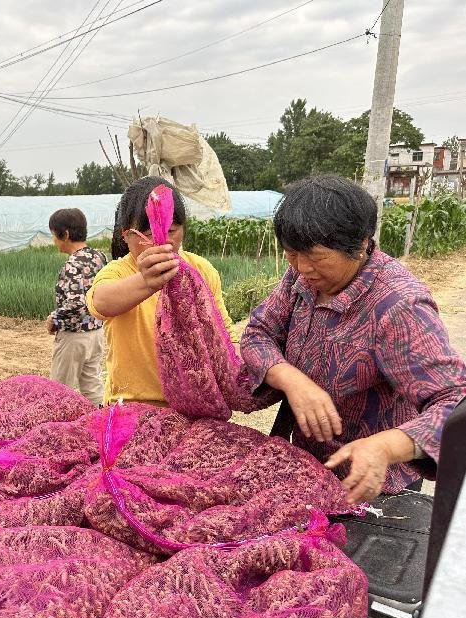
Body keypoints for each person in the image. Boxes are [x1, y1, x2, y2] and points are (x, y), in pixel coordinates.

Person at [240, 175, 466, 505]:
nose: (302, 269)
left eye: (316, 257)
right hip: (305, 469)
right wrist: (292, 380)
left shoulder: (399, 306)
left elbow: (456, 403)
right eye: (292, 255)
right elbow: (258, 334)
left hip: (373, 487)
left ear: (360, 245)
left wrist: (386, 447)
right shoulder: (302, 275)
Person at [85, 176, 235, 406]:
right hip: (134, 405)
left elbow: (223, 331)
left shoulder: (202, 270)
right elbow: (101, 302)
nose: (162, 243)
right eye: (149, 234)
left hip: (193, 406)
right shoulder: (118, 271)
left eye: (171, 231)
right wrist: (147, 281)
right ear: (125, 234)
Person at [45, 208, 106, 404]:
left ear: (66, 234)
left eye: (54, 235)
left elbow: (75, 304)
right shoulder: (98, 257)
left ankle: (59, 430)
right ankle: (106, 424)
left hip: (74, 338)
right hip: (96, 333)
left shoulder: (72, 264)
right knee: (92, 387)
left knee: (59, 393)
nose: (53, 240)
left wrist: (54, 319)